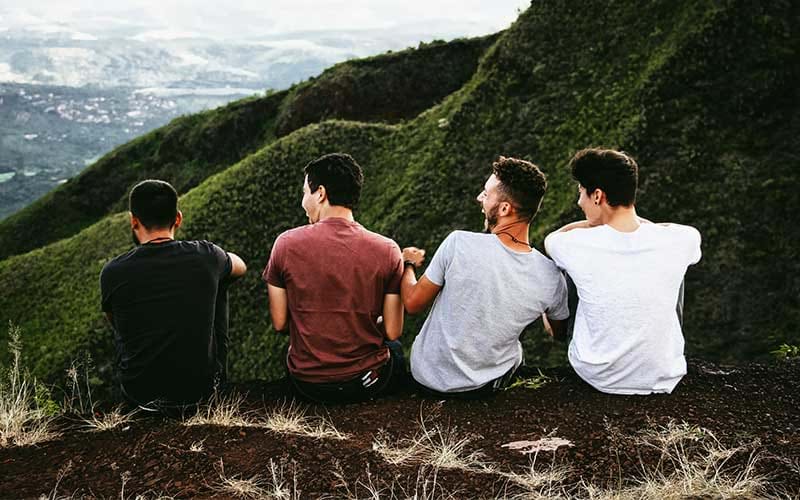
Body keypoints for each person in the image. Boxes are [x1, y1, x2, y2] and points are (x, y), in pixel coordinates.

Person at [401, 156, 569, 398]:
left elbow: (412, 303)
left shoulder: (458, 243)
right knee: (516, 351)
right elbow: (558, 334)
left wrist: (408, 263)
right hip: (485, 387)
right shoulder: (550, 276)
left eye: (486, 194)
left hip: (427, 379)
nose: (480, 198)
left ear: (504, 209)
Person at [544, 148, 702, 395]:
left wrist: (593, 223)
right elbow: (664, 229)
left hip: (598, 374)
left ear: (598, 196)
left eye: (581, 192)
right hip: (663, 375)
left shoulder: (571, 243)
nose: (579, 202)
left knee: (568, 269)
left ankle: (563, 337)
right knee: (671, 267)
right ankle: (653, 353)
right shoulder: (682, 239)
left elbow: (552, 239)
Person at [263, 153, 405, 404]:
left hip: (308, 384)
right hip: (365, 383)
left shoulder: (285, 244)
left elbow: (280, 323)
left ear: (320, 193)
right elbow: (393, 330)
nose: (303, 202)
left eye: (304, 193)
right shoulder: (388, 250)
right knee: (396, 350)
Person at [100, 179, 247, 410]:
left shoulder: (112, 272)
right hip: (199, 393)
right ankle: (218, 384)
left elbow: (116, 324)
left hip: (139, 395)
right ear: (178, 218)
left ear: (134, 221)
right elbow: (241, 267)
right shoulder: (206, 255)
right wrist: (217, 261)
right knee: (221, 280)